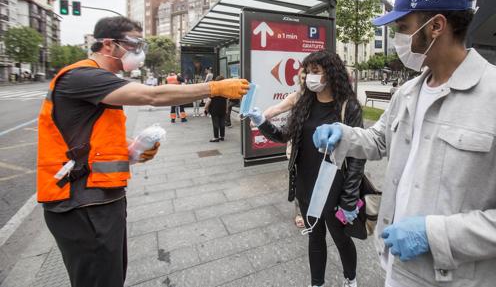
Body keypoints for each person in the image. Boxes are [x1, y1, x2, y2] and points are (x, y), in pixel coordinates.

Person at [313, 0, 496, 287]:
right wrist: (345, 134)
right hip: (398, 266)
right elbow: (381, 139)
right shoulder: (408, 92)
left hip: (455, 279)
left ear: (436, 26)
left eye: (403, 28)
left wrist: (435, 235)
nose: (398, 40)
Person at [37, 16, 248, 287]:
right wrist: (214, 88)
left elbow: (88, 139)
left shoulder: (98, 80)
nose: (140, 50)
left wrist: (131, 150)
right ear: (108, 45)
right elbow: (153, 96)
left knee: (111, 276)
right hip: (80, 201)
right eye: (135, 43)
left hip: (98, 197)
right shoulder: (81, 75)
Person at [248, 51, 365, 287]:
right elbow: (285, 136)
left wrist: (349, 197)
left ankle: (350, 279)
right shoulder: (305, 103)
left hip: (334, 185)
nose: (308, 77)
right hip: (305, 182)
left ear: (331, 74)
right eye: (307, 72)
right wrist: (262, 122)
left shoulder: (348, 107)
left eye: (315, 72)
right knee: (315, 235)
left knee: (340, 237)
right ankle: (317, 283)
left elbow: (357, 156)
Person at [263, 68, 306, 228]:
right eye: (302, 77)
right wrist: (261, 117)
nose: (306, 79)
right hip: (299, 151)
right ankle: (300, 213)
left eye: (308, 75)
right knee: (300, 185)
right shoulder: (296, 97)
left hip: (321, 152)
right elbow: (276, 109)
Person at [206, 76, 228, 142]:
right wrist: (226, 109)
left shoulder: (214, 89)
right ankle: (222, 136)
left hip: (214, 110)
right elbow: (226, 100)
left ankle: (216, 137)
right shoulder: (225, 90)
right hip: (222, 109)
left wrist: (206, 108)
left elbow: (209, 100)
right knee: (222, 123)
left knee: (215, 124)